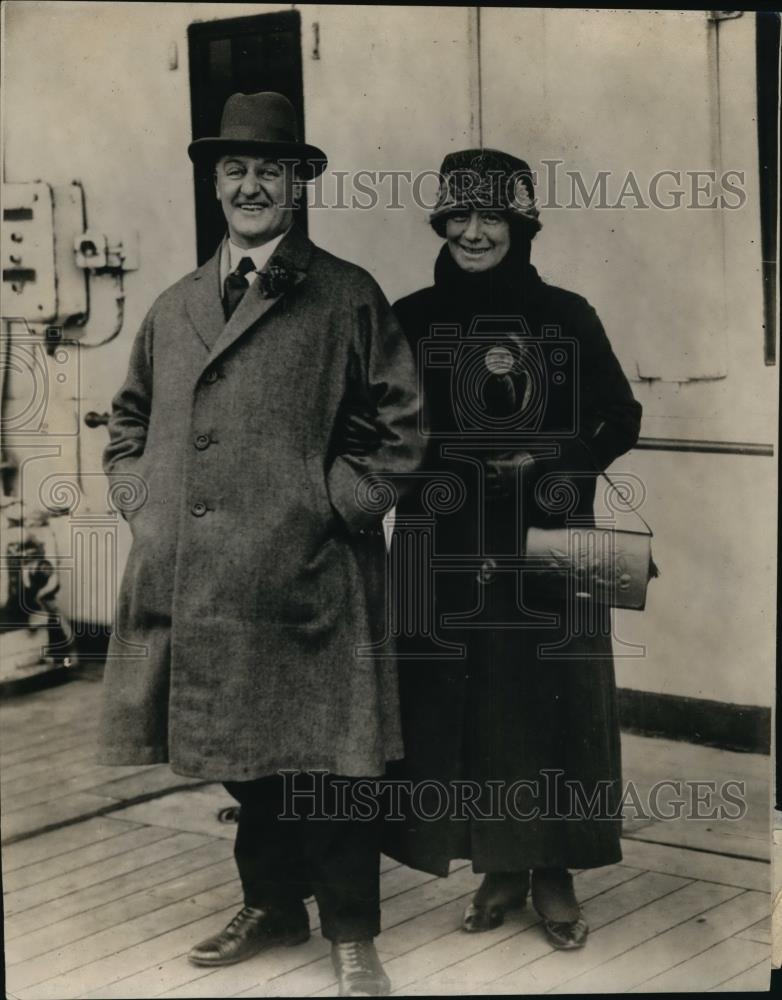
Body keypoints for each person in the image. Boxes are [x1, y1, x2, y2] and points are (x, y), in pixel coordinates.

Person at [97, 91, 424, 996]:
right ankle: (274, 904)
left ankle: (352, 932)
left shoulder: (346, 293)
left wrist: (337, 506)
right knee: (247, 757)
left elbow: (401, 426)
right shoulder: (174, 304)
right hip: (205, 583)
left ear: (298, 184)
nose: (249, 185)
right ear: (215, 182)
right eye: (234, 169)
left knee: (333, 762)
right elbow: (127, 424)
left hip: (312, 577)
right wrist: (144, 501)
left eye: (268, 171)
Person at [382, 148, 643, 950]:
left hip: (551, 546)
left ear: (521, 225)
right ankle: (497, 866)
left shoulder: (566, 314)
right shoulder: (411, 316)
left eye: (491, 215)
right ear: (440, 224)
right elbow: (378, 427)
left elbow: (619, 417)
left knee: (548, 706)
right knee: (464, 710)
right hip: (444, 545)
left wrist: (549, 458)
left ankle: (553, 872)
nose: (473, 231)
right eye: (458, 215)